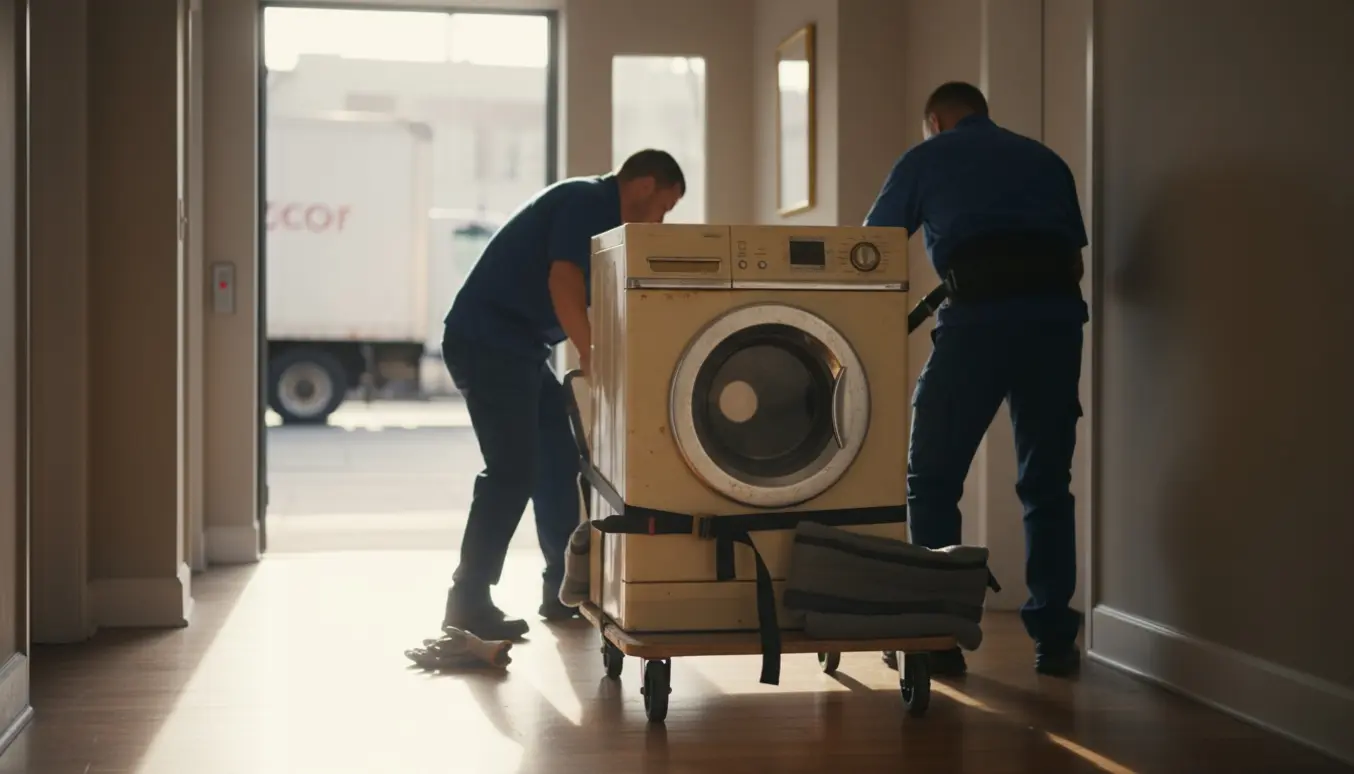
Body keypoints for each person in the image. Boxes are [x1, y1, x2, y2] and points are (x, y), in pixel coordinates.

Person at [864, 82, 1088, 677]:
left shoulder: (927, 157)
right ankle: (1054, 639)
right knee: (1045, 482)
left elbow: (873, 246)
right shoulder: (1045, 160)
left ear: (934, 120)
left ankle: (939, 635)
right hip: (1057, 325)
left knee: (933, 477)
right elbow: (1074, 261)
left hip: (978, 327)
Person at [440, 149, 686, 640]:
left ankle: (561, 589)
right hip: (489, 343)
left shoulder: (595, 212)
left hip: (517, 348)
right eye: (664, 206)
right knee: (511, 471)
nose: (659, 220)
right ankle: (467, 598)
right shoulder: (590, 201)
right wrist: (587, 349)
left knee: (559, 457)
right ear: (643, 185)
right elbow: (564, 278)